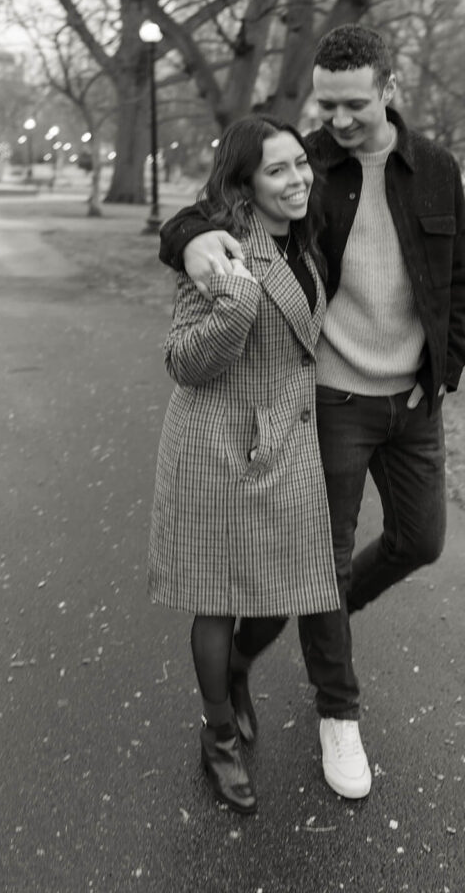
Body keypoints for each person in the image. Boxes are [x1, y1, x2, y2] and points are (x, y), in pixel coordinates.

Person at [158, 24, 465, 802]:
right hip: (329, 402)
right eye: (324, 105)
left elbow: (458, 278)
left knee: (419, 541)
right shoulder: (308, 161)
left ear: (391, 89)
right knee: (316, 566)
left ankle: (317, 613)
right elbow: (212, 209)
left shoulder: (434, 170)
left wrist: (447, 367)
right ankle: (337, 711)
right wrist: (194, 241)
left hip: (413, 398)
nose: (334, 123)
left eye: (353, 104)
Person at [148, 115, 340, 815]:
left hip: (283, 445)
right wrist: (236, 302)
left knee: (282, 593)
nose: (297, 179)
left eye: (300, 164)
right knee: (218, 599)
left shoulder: (306, 239)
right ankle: (218, 734)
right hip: (216, 447)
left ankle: (232, 674)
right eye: (278, 170)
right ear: (246, 183)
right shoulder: (222, 252)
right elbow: (181, 360)